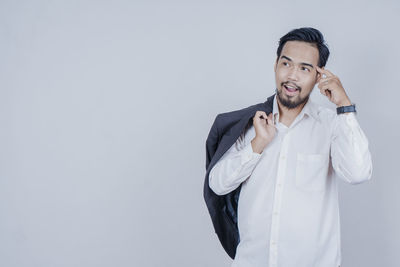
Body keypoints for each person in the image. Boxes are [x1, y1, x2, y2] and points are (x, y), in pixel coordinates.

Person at [208, 27, 373, 267]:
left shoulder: (331, 124)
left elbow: (358, 173)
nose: (292, 76)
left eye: (304, 68)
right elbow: (218, 184)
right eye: (286, 64)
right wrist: (257, 145)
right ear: (276, 65)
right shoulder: (250, 124)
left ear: (319, 76)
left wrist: (344, 106)